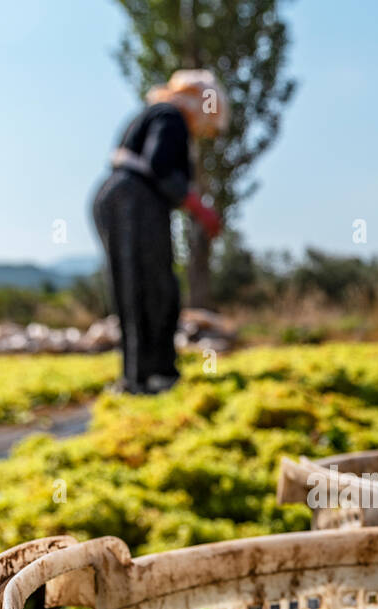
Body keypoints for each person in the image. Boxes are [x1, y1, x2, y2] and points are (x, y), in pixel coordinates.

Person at [92, 70, 227, 393]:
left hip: (130, 202)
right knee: (142, 290)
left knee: (156, 287)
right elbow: (160, 166)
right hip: (131, 203)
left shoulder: (160, 116)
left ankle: (155, 373)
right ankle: (142, 379)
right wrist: (199, 208)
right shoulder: (170, 115)